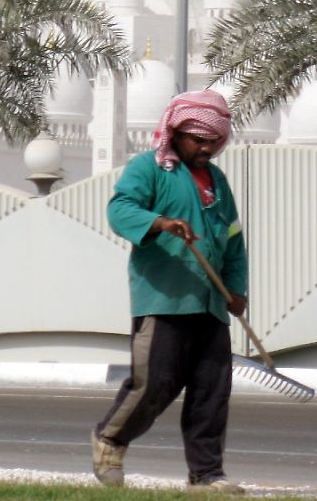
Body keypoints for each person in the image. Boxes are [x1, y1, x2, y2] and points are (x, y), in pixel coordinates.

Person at [91, 89, 247, 495]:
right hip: (163, 300)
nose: (206, 147)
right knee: (154, 384)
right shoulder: (149, 169)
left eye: (213, 141)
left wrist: (236, 288)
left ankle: (206, 474)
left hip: (210, 304)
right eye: (198, 139)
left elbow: (232, 238)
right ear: (176, 132)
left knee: (211, 394)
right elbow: (120, 210)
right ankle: (110, 440)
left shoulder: (217, 181)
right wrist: (160, 222)